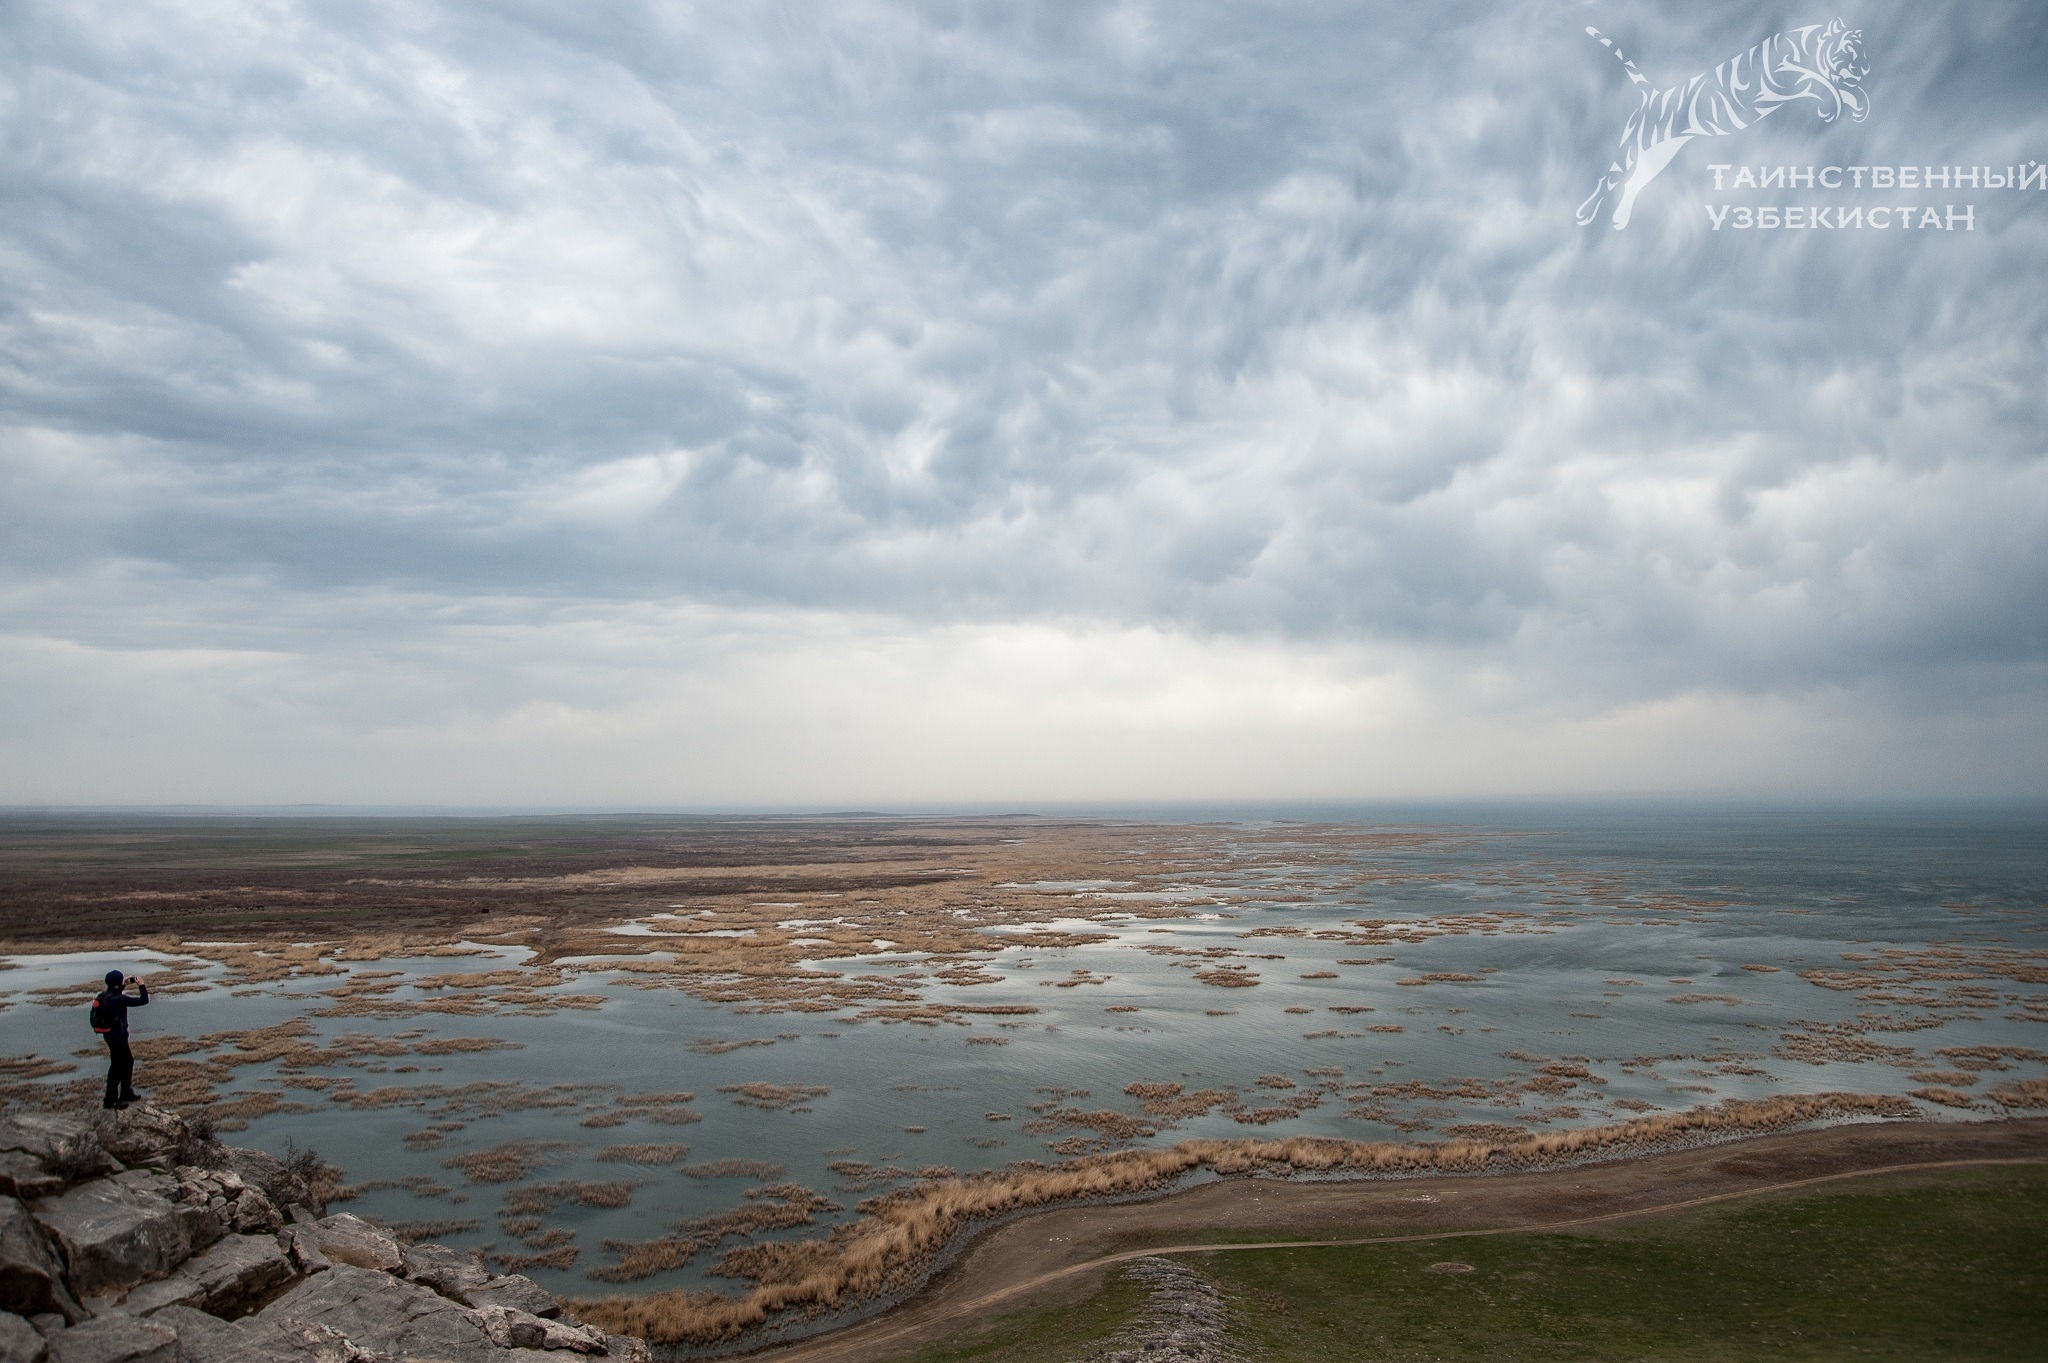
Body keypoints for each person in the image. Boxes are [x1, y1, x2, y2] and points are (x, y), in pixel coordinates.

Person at [94, 969, 148, 1110]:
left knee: (127, 1062)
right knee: (117, 1068)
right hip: (118, 1037)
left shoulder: (104, 996)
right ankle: (111, 1100)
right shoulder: (119, 999)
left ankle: (126, 1092)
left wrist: (123, 985)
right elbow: (144, 1000)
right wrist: (141, 985)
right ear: (118, 984)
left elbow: (116, 993)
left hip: (110, 1036)